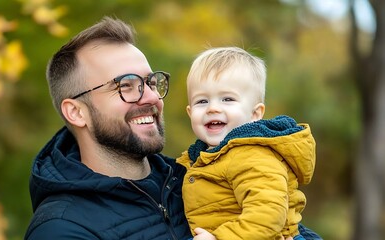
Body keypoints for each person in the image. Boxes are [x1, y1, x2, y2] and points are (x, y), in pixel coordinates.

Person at [24, 16, 320, 240]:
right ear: (76, 112)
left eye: (151, 82)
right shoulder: (62, 229)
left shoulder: (190, 176)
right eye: (127, 85)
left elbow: (287, 226)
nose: (152, 97)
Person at [176, 47, 319, 240]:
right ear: (190, 112)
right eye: (202, 101)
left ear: (255, 114)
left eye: (227, 99)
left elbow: (268, 215)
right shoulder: (201, 159)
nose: (213, 108)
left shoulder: (252, 154)